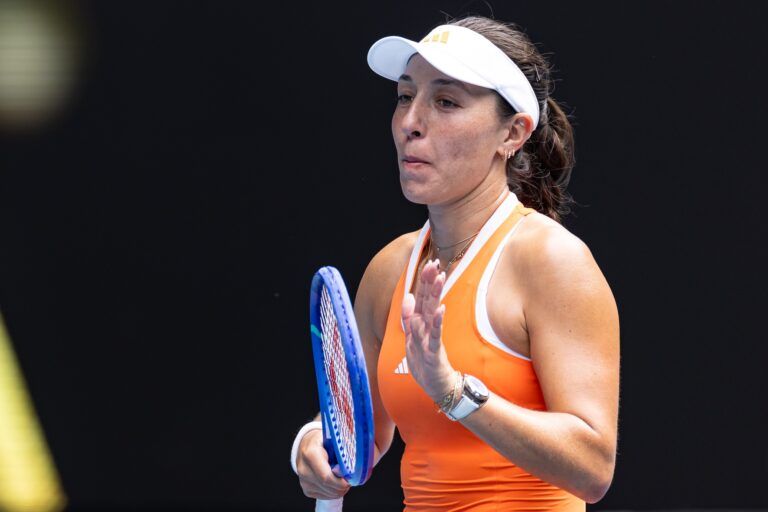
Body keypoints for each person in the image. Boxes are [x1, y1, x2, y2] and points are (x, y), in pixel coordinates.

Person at [291, 15, 620, 511]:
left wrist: (452, 390)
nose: (411, 122)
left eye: (446, 102)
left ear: (512, 133)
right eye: (405, 96)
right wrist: (312, 443)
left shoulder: (553, 261)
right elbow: (359, 434)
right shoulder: (389, 269)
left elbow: (592, 468)